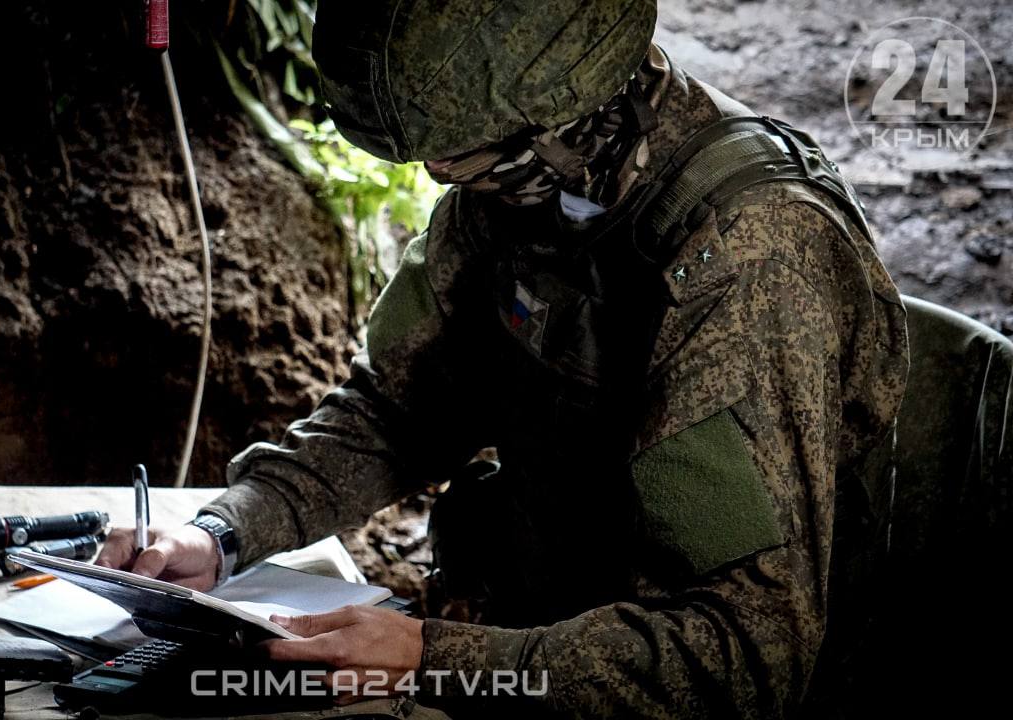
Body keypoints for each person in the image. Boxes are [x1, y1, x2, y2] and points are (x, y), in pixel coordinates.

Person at [97, 0, 911, 716]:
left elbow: (742, 660)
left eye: (460, 157)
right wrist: (227, 531)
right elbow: (397, 411)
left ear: (554, 118)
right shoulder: (533, 179)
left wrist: (436, 659)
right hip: (534, 641)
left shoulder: (748, 254)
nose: (440, 175)